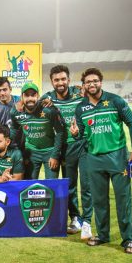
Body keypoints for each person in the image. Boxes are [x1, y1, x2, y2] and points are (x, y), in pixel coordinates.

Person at [71, 67, 132, 254]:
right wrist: (76, 134)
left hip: (117, 157)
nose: (92, 84)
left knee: (123, 200)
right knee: (99, 201)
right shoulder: (81, 108)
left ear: (100, 82)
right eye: (88, 82)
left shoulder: (115, 100)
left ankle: (128, 239)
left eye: (95, 81)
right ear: (84, 85)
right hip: (94, 159)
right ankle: (103, 235)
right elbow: (82, 137)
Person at [41, 65, 93, 239]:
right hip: (63, 147)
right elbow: (34, 102)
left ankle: (87, 222)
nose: (60, 82)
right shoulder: (48, 98)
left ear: (69, 80)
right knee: (70, 185)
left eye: (63, 79)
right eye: (56, 80)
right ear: (52, 82)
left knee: (86, 184)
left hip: (82, 145)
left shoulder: (79, 93)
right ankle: (75, 218)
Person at [10, 82, 66, 179]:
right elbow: (14, 131)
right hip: (31, 153)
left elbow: (60, 132)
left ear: (38, 96)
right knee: (29, 185)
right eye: (26, 95)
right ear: (21, 97)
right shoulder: (15, 112)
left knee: (51, 185)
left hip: (50, 152)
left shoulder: (48, 110)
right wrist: (16, 152)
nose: (30, 98)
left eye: (33, 95)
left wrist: (55, 155)